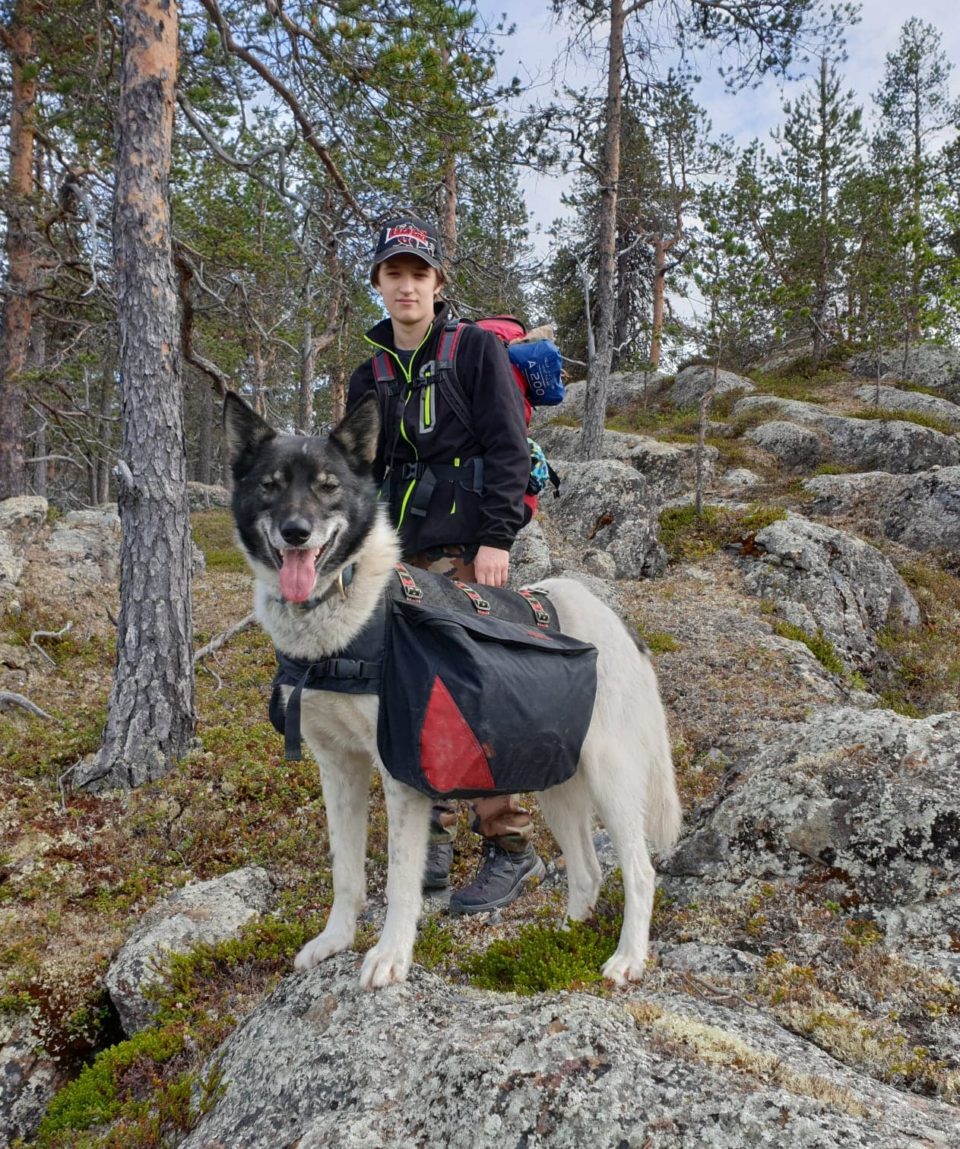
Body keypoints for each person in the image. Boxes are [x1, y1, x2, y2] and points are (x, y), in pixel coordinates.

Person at [346, 215, 546, 914]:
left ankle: (510, 847)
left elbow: (509, 448)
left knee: (476, 696)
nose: (406, 285)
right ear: (377, 282)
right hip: (396, 560)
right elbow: (358, 474)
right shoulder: (367, 374)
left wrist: (496, 540)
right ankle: (426, 853)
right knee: (406, 703)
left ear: (437, 284)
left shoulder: (473, 353)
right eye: (393, 273)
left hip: (467, 552)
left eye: (418, 273)